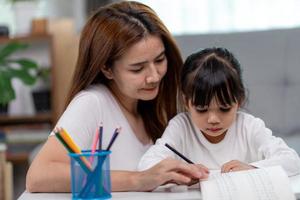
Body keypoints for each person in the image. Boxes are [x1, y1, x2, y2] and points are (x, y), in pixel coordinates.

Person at [26, 1, 209, 193]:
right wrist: (139, 180)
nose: (154, 76)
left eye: (160, 60)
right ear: (107, 69)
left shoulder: (147, 106)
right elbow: (38, 176)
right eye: (137, 68)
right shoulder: (92, 102)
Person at [138, 47, 300, 177]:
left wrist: (252, 168)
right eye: (201, 109)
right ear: (187, 102)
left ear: (239, 100)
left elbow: (292, 160)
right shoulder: (181, 126)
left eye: (224, 109)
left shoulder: (249, 126)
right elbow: (146, 165)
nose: (213, 119)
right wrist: (182, 169)